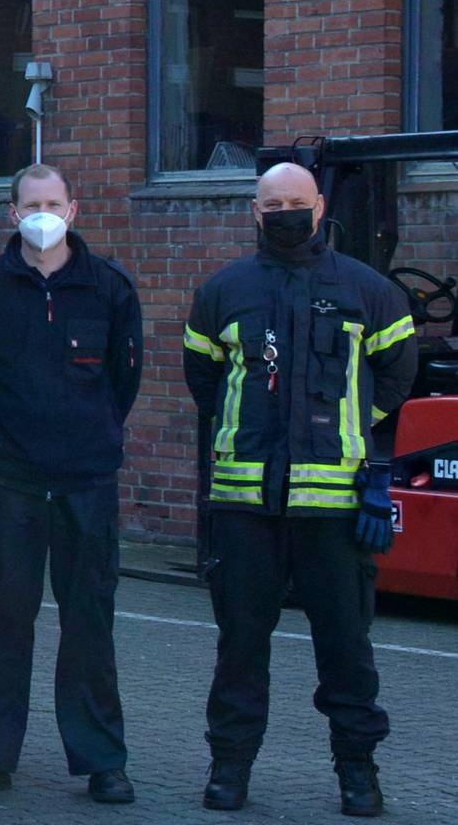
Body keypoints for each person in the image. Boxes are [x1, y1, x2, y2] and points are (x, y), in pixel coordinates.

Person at [182, 161, 418, 818]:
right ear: (256, 213)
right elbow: (204, 383)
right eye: (273, 202)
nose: (285, 210)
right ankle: (229, 771)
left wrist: (358, 448)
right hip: (245, 507)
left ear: (319, 208)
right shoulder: (223, 290)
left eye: (297, 200)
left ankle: (358, 775)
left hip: (335, 511)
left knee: (347, 652)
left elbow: (395, 379)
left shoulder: (368, 291)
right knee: (239, 651)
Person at [0, 166, 141, 805]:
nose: (43, 213)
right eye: (32, 204)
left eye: (53, 203)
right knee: (4, 622)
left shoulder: (109, 288)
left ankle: (102, 760)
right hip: (8, 484)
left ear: (74, 209)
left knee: (90, 624)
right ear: (12, 212)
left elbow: (123, 381)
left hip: (86, 483)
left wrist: (90, 436)